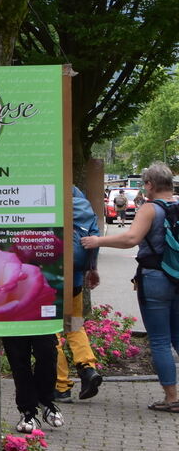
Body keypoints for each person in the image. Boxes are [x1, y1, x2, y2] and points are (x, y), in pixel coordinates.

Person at [82, 162, 179, 412]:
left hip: (155, 278)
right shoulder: (177, 204)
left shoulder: (150, 208)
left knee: (159, 340)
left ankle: (172, 398)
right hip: (177, 276)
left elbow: (131, 238)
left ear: (149, 184)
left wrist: (97, 240)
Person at [55, 186, 103, 403]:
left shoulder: (47, 190)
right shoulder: (79, 197)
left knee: (52, 331)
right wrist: (92, 268)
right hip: (75, 279)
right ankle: (87, 369)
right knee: (74, 326)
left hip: (51, 279)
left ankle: (61, 385)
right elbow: (94, 236)